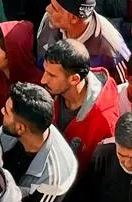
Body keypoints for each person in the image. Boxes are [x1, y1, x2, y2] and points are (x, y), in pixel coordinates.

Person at [0, 81, 79, 202]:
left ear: (20, 128)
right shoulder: (11, 129)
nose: (2, 111)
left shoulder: (53, 178)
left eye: (7, 112)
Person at [42, 38, 120, 169]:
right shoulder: (52, 91)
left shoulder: (104, 122)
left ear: (74, 79)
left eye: (52, 75)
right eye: (45, 71)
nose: (43, 79)